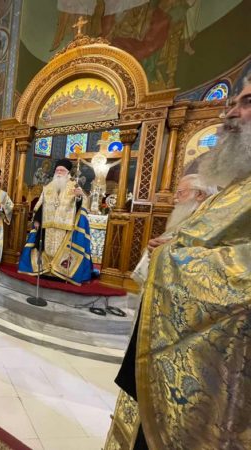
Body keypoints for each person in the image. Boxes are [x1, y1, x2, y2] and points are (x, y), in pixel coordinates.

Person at [105, 80, 251, 449]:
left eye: (247, 102)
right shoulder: (238, 187)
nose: (231, 113)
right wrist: (173, 246)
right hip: (174, 352)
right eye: (234, 102)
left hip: (218, 376)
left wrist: (170, 256)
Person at [18, 159, 92, 283]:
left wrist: (79, 196)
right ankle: (46, 270)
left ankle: (60, 273)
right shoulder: (48, 187)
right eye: (57, 170)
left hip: (66, 226)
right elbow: (41, 205)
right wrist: (37, 220)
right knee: (46, 248)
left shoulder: (74, 185)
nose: (59, 172)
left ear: (67, 172)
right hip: (48, 225)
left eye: (62, 170)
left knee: (61, 250)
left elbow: (82, 205)